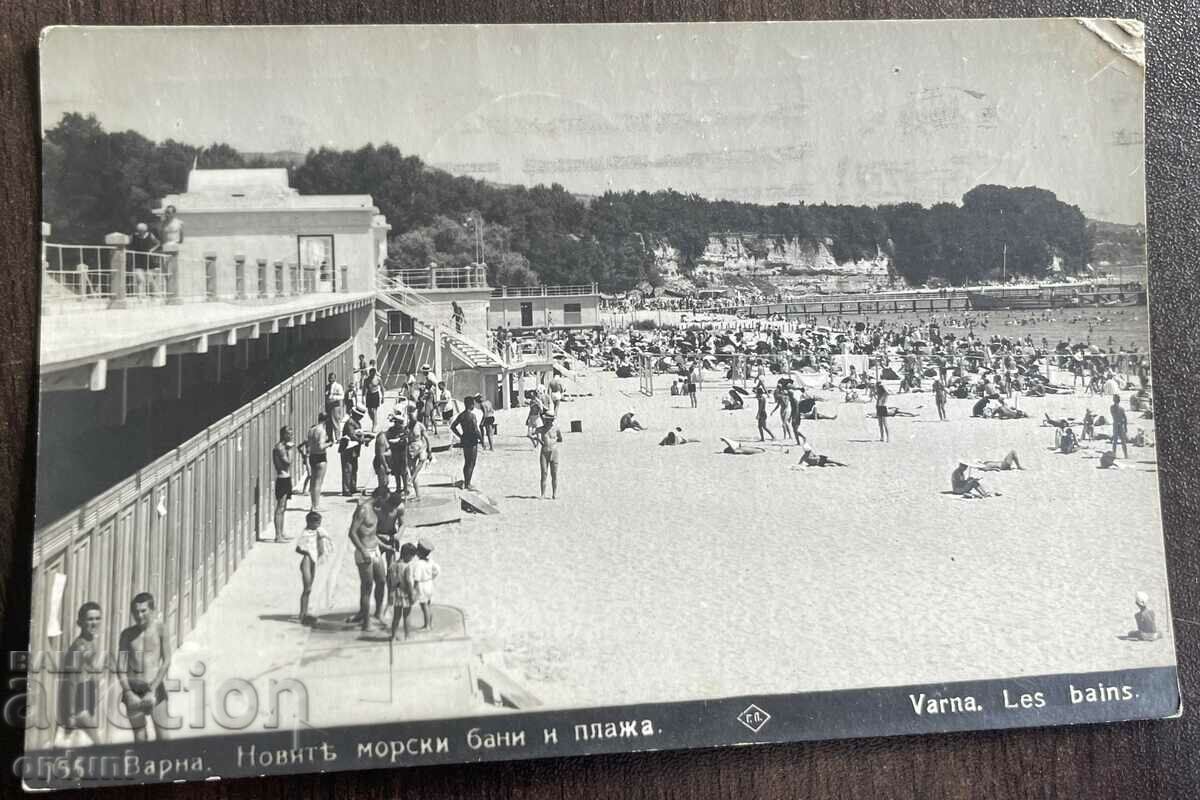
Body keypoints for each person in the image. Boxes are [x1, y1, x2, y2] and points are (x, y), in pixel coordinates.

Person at [117, 592, 171, 741]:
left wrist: (152, 690)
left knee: (163, 737)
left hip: (154, 688)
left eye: (143, 611)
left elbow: (166, 661)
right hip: (133, 690)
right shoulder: (127, 635)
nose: (139, 615)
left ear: (152, 610)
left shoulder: (161, 629)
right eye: (135, 612)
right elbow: (120, 667)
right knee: (140, 738)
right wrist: (128, 692)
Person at [347, 489, 400, 632]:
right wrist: (363, 550)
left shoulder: (375, 509)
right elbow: (352, 533)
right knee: (367, 587)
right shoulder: (363, 510)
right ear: (379, 497)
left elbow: (372, 534)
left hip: (375, 550)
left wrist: (385, 546)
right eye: (385, 500)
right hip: (364, 552)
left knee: (382, 581)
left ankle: (377, 614)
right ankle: (366, 622)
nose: (386, 504)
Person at [58, 602, 103, 745]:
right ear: (80, 622)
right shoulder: (79, 647)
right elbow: (71, 680)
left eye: (97, 618)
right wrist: (71, 714)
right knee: (98, 743)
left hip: (87, 692)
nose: (94, 623)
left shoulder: (91, 640)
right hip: (78, 701)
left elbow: (87, 665)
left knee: (83, 742)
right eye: (90, 619)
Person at [295, 510, 332, 626]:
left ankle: (304, 613)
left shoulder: (318, 532)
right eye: (317, 523)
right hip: (306, 561)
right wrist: (307, 551)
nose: (319, 525)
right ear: (311, 523)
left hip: (313, 562)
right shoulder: (305, 533)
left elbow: (325, 541)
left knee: (309, 588)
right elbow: (298, 548)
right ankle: (302, 613)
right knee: (306, 588)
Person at [450, 395, 482, 490]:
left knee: (467, 462)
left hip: (465, 439)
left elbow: (453, 426)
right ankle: (468, 483)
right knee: (472, 462)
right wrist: (482, 440)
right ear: (471, 405)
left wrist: (460, 435)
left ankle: (466, 481)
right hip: (472, 440)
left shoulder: (462, 415)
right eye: (473, 404)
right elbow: (476, 430)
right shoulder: (472, 416)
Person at [410, 538, 441, 631]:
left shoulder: (418, 564)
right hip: (429, 584)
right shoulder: (430, 561)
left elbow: (416, 579)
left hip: (422, 586)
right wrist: (432, 577)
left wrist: (414, 590)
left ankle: (427, 626)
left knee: (424, 606)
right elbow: (437, 570)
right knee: (428, 605)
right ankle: (429, 624)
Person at [389, 542, 417, 641]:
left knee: (396, 617)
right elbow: (408, 582)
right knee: (407, 616)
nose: (412, 559)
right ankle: (407, 636)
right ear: (408, 555)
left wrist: (391, 593)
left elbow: (390, 581)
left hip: (396, 593)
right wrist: (412, 594)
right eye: (412, 557)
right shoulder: (407, 566)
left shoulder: (392, 565)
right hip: (405, 594)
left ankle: (393, 636)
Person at [272, 426, 295, 541]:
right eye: (289, 434)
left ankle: (281, 532)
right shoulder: (280, 448)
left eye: (291, 433)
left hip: (286, 478)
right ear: (283, 435)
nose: (291, 436)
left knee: (283, 507)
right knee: (280, 508)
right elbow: (288, 462)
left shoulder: (282, 446)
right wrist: (290, 450)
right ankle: (277, 535)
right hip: (282, 479)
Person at [305, 413, 332, 511]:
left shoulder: (311, 430)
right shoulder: (322, 431)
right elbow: (321, 446)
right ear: (326, 420)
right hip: (320, 456)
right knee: (318, 482)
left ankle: (313, 504)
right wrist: (329, 444)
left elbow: (308, 444)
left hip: (312, 455)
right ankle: (316, 505)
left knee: (313, 481)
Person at [337, 406, 367, 496]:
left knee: (354, 468)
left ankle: (353, 487)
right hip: (347, 449)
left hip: (354, 449)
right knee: (347, 469)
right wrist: (362, 440)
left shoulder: (357, 423)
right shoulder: (350, 422)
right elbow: (352, 435)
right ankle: (346, 489)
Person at [404, 403, 430, 501]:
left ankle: (412, 478)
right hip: (410, 449)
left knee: (422, 459)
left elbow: (427, 439)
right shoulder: (407, 426)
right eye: (410, 415)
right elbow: (405, 439)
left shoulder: (420, 425)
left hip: (420, 446)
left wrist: (430, 450)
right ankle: (418, 495)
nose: (412, 416)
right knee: (411, 469)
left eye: (413, 414)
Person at [129, 222, 160, 298]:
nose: (141, 233)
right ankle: (140, 296)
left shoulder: (150, 235)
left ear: (145, 230)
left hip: (148, 258)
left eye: (142, 231)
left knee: (150, 278)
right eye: (139, 231)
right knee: (140, 279)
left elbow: (158, 243)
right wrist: (130, 251)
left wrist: (152, 250)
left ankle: (153, 295)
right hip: (137, 259)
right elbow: (127, 244)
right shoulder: (133, 236)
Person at [536, 410, 561, 499]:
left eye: (549, 420)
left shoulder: (556, 428)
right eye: (546, 420)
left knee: (554, 474)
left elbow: (560, 438)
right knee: (544, 473)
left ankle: (554, 494)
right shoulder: (541, 429)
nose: (547, 422)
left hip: (554, 452)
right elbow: (534, 434)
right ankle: (543, 494)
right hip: (544, 452)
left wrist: (553, 443)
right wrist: (539, 440)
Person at [363, 365, 383, 430]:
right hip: (369, 395)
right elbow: (364, 389)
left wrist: (383, 397)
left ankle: (374, 426)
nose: (372, 375)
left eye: (373, 374)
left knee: (374, 410)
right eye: (371, 374)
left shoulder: (378, 379)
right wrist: (363, 398)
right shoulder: (366, 380)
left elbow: (382, 388)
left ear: (375, 373)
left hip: (375, 394)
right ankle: (374, 421)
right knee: (369, 411)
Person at [1111, 393, 1129, 459]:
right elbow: (1123, 417)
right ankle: (1116, 454)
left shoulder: (1116, 408)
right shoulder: (1119, 408)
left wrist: (1125, 426)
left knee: (1121, 441)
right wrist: (1125, 426)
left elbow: (1125, 418)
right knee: (1117, 441)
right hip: (1118, 425)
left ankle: (1124, 455)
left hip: (1117, 425)